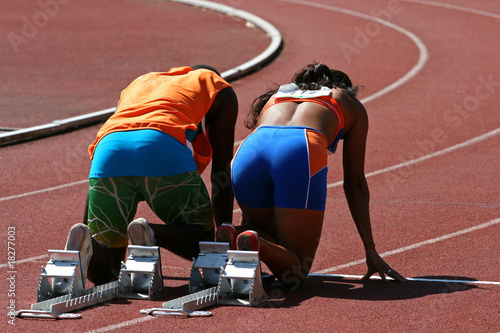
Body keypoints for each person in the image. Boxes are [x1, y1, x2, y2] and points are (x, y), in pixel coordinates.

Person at [217, 62, 405, 289]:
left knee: (260, 228)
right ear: (342, 86)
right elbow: (354, 183)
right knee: (296, 273)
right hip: (299, 147)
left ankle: (234, 233)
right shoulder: (348, 100)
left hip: (250, 150)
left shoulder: (279, 95)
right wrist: (370, 248)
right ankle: (258, 245)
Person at [64, 65, 238, 286]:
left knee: (107, 275)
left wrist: (88, 223)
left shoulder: (143, 81)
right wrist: (224, 237)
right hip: (161, 145)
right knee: (204, 243)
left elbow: (119, 138)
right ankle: (150, 232)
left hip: (107, 152)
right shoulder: (217, 87)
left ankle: (86, 244)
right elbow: (221, 170)